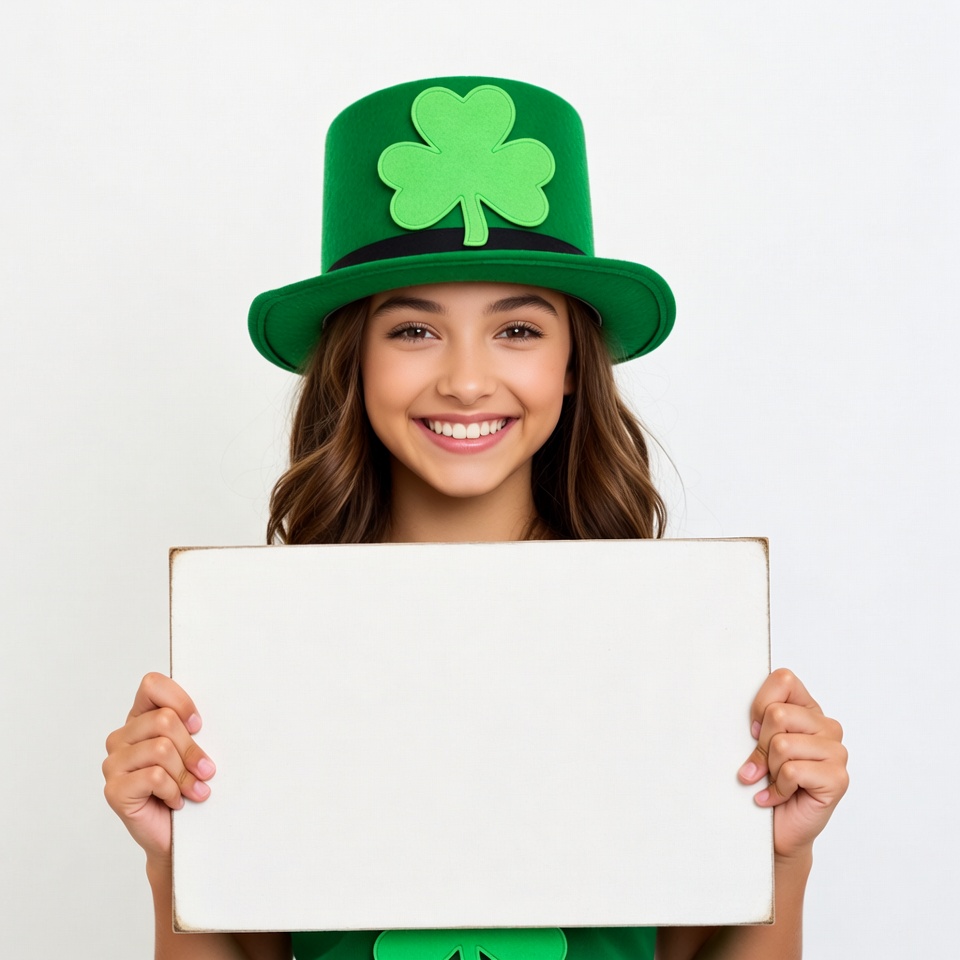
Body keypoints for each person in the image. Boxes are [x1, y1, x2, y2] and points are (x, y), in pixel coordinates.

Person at [102, 77, 848, 960]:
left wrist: (785, 857)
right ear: (354, 363)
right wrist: (170, 859)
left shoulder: (668, 636)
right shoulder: (269, 647)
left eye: (518, 330)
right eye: (413, 331)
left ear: (576, 362)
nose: (463, 379)